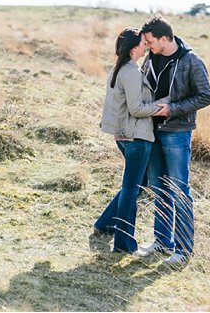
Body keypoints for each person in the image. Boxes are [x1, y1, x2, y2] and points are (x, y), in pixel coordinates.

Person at [137, 15, 210, 268]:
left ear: (165, 38)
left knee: (180, 190)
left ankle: (183, 250)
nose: (147, 46)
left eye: (150, 41)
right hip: (151, 131)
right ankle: (162, 241)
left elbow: (205, 96)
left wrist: (172, 109)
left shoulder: (191, 60)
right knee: (158, 188)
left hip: (177, 132)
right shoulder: (151, 58)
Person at [93, 28, 163, 254]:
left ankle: (104, 224)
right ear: (134, 48)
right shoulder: (131, 72)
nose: (146, 46)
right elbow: (136, 108)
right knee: (132, 188)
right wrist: (161, 109)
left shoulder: (118, 69)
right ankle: (124, 244)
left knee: (136, 184)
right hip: (137, 137)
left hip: (123, 136)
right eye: (143, 43)